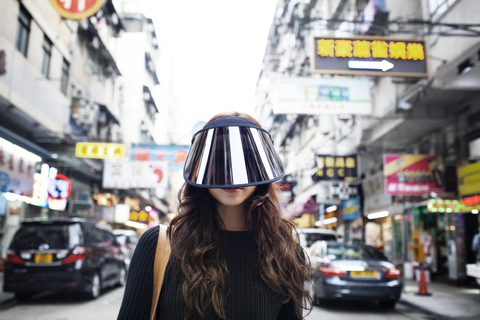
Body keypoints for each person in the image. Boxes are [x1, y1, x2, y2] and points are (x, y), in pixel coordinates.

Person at [117, 112, 312, 320]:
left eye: (246, 159)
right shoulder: (157, 246)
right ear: (201, 167)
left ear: (261, 168)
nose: (233, 172)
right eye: (220, 158)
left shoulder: (287, 254)